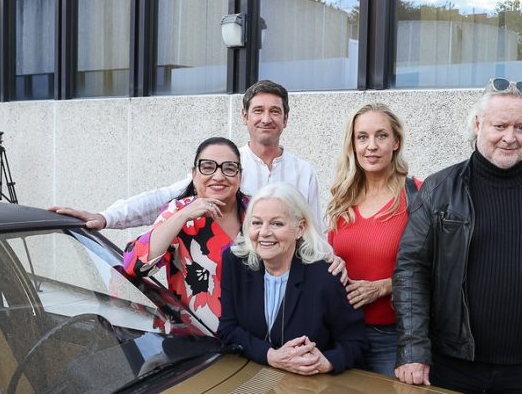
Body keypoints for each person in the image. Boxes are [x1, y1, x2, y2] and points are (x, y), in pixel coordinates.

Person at [392, 78, 522, 394]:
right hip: (452, 363)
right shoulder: (440, 189)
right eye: (499, 126)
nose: (510, 137)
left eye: (520, 128)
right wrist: (413, 350)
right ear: (478, 124)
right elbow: (411, 271)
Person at [50, 79, 323, 230]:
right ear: (244, 116)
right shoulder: (226, 166)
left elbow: (315, 233)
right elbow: (165, 199)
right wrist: (107, 216)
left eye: (275, 111)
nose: (266, 118)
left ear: (286, 119)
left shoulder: (303, 172)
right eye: (258, 110)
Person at [219, 182, 365, 375]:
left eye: (276, 223)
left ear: (300, 228)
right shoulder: (235, 262)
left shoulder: (325, 274)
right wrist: (270, 356)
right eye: (256, 223)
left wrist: (327, 362)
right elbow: (228, 330)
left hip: (305, 390)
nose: (264, 232)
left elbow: (356, 342)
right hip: (248, 380)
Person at [326, 103, 420, 376]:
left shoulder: (417, 195)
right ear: (353, 145)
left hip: (393, 338)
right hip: (342, 334)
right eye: (362, 137)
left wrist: (382, 287)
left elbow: (437, 267)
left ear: (396, 142)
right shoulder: (341, 198)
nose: (372, 146)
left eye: (381, 136)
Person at [122, 137, 247, 330]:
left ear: (240, 176)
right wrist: (183, 216)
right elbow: (133, 265)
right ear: (194, 174)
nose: (219, 176)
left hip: (254, 341)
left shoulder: (258, 211)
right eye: (208, 167)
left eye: (229, 168)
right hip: (195, 340)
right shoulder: (178, 212)